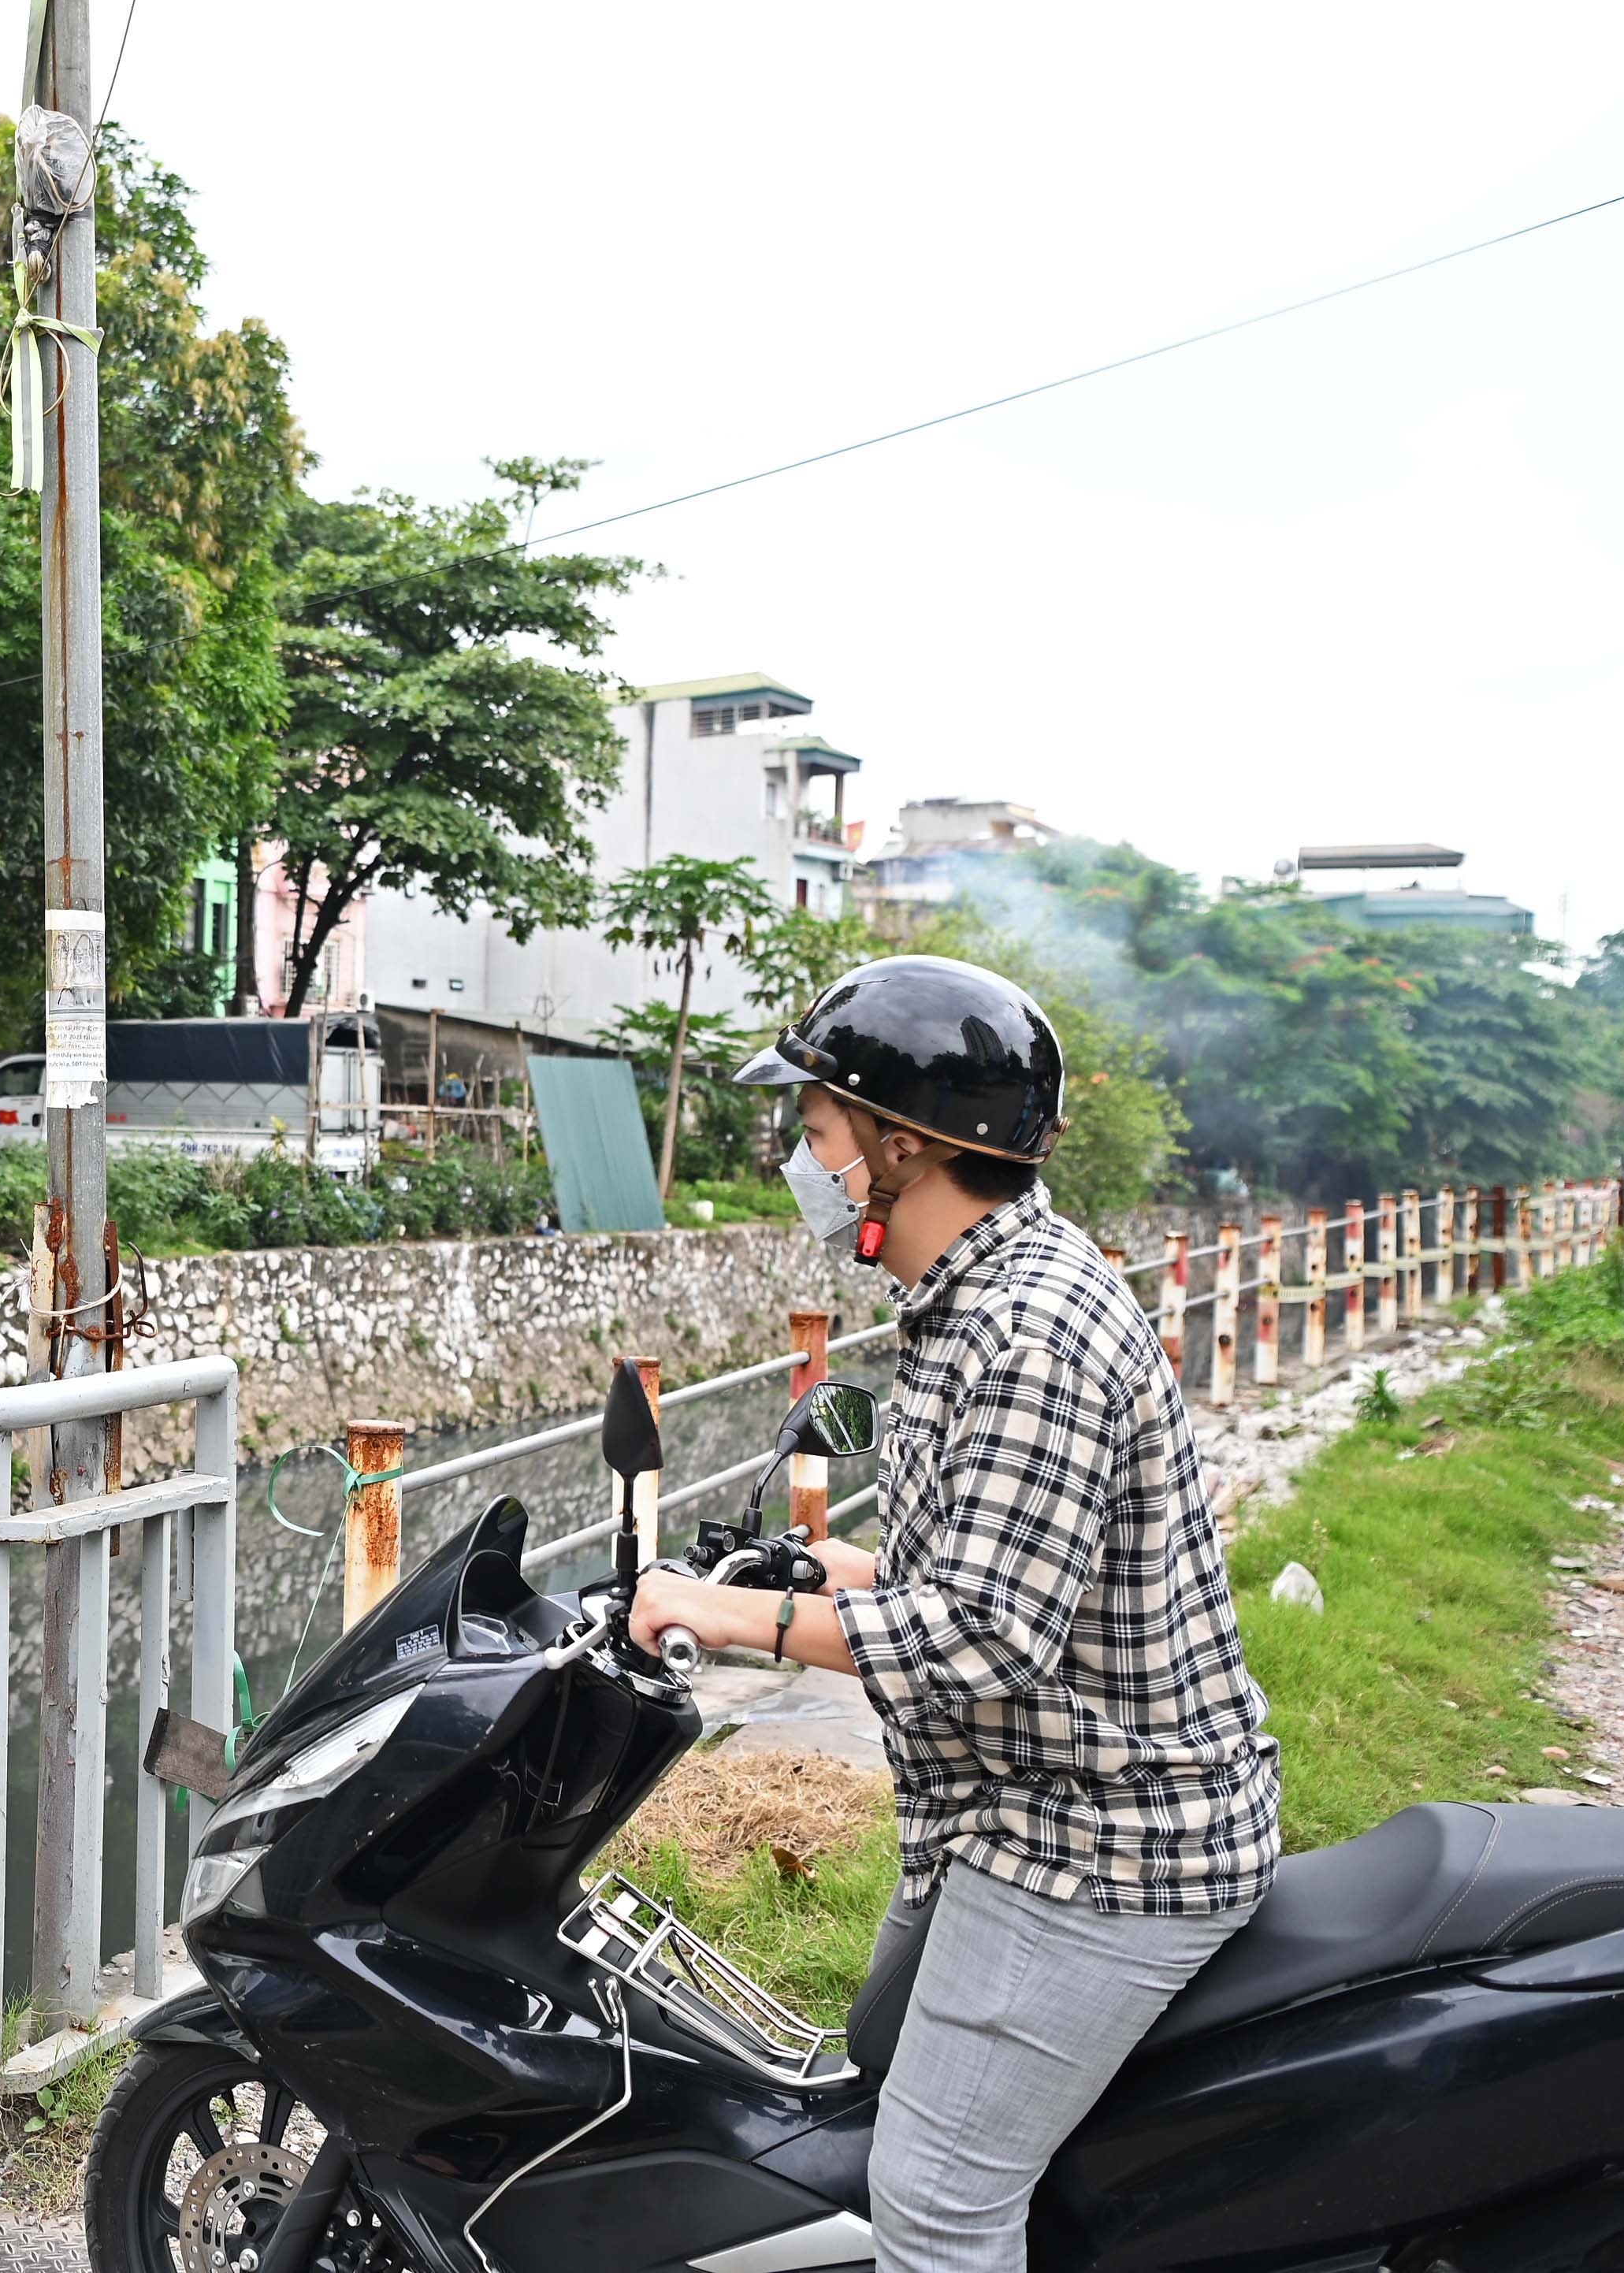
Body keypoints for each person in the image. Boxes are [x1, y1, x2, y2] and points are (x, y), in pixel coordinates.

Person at [626, 954, 1278, 2273]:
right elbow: (980, 1574)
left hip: (1097, 1841)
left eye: (814, 1130)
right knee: (871, 2063)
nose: (798, 1160)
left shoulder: (1026, 1332)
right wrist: (810, 1575)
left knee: (933, 2203)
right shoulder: (975, 1293)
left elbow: (980, 1640)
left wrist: (725, 1619)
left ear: (899, 1147)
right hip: (1010, 1810)